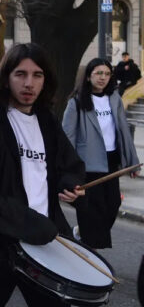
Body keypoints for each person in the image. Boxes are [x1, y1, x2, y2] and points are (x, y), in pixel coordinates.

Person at [0, 43, 85, 307]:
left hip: (45, 243)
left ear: (45, 80)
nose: (29, 83)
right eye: (20, 74)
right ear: (6, 78)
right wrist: (32, 225)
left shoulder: (46, 120)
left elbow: (69, 165)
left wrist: (70, 184)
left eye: (37, 75)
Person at [62, 58, 139, 249]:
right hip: (86, 165)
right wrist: (68, 169)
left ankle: (82, 234)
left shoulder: (114, 99)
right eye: (98, 73)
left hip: (111, 162)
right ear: (88, 76)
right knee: (91, 211)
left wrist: (132, 161)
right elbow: (67, 137)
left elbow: (123, 131)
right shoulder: (76, 102)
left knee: (112, 206)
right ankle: (89, 250)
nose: (102, 77)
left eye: (106, 73)